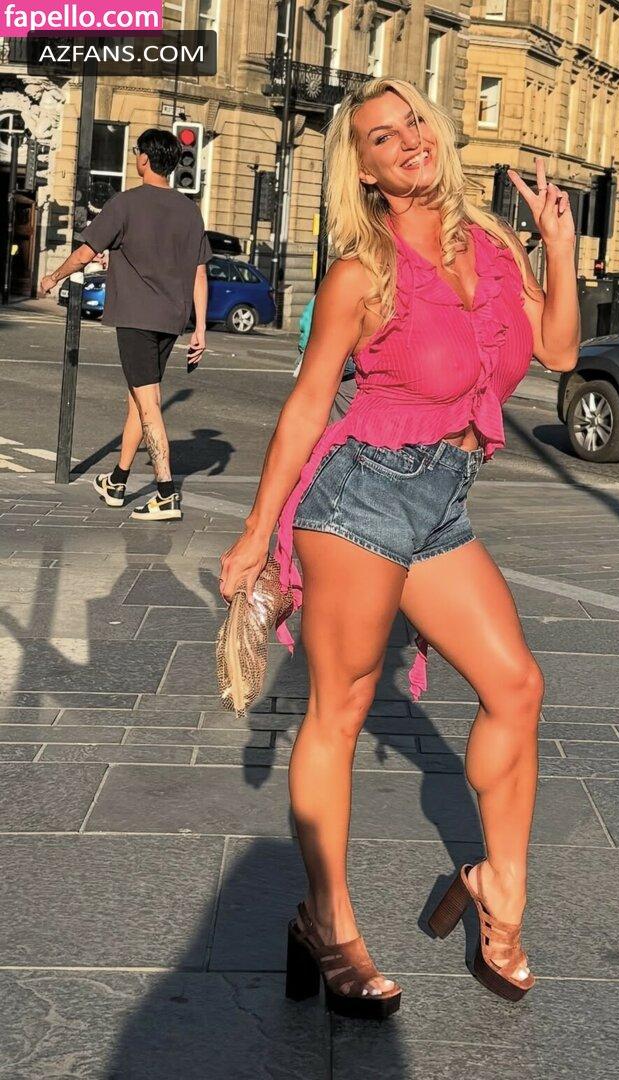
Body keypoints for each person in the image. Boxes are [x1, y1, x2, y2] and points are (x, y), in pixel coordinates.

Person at [219, 77, 579, 1018]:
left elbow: (560, 352)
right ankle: (327, 921)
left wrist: (559, 247)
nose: (408, 138)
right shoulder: (360, 273)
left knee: (516, 687)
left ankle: (500, 888)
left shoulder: (491, 245)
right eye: (383, 137)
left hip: (441, 502)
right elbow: (307, 406)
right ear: (366, 171)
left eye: (414, 120)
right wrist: (256, 535)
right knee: (339, 711)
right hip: (359, 500)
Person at [40, 128, 211, 521]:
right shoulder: (189, 210)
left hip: (137, 317)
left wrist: (53, 277)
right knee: (138, 396)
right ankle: (117, 481)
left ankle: (166, 493)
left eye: (137, 152)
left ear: (144, 159)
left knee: (148, 403)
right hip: (172, 319)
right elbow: (199, 271)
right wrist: (200, 327)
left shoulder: (126, 203)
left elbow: (85, 252)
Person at [295, 295, 357, 421]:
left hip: (312, 353)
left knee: (313, 410)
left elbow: (305, 325)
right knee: (347, 415)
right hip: (341, 357)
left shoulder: (325, 293)